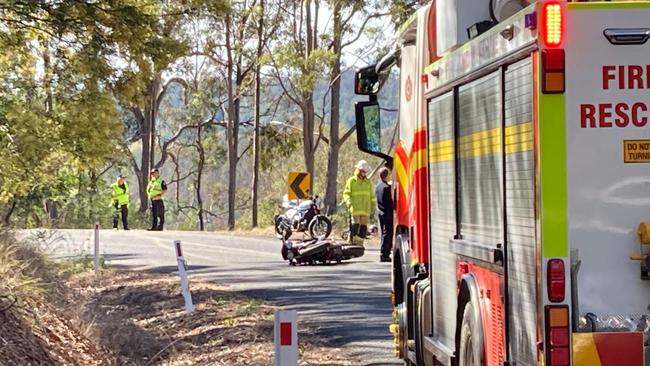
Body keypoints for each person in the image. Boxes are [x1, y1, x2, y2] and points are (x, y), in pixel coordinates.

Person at [343, 160, 374, 246]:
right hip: (355, 208)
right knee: (355, 227)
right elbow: (346, 194)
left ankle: (359, 244)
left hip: (365, 209)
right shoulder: (352, 181)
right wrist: (349, 203)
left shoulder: (368, 182)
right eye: (363, 171)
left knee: (363, 228)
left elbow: (371, 196)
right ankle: (351, 242)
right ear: (359, 170)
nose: (365, 173)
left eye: (365, 172)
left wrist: (373, 206)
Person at [375, 167, 394, 262]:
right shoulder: (386, 188)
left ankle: (384, 252)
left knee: (383, 233)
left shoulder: (378, 186)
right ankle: (385, 254)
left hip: (380, 212)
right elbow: (389, 203)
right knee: (387, 233)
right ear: (386, 176)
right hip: (387, 213)